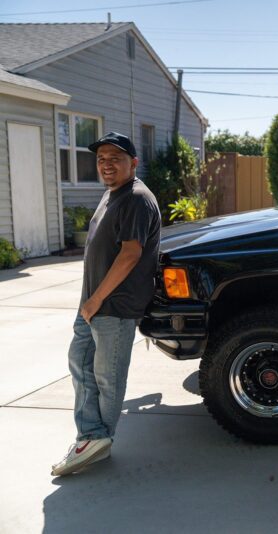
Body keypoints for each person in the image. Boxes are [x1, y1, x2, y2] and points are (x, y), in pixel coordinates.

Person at [52, 132, 161, 476]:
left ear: (133, 162)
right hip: (94, 305)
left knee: (106, 377)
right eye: (101, 159)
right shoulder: (114, 194)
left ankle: (97, 438)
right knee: (80, 363)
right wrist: (89, 301)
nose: (107, 164)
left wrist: (96, 299)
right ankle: (91, 435)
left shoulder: (136, 199)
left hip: (114, 306)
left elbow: (130, 255)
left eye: (115, 158)